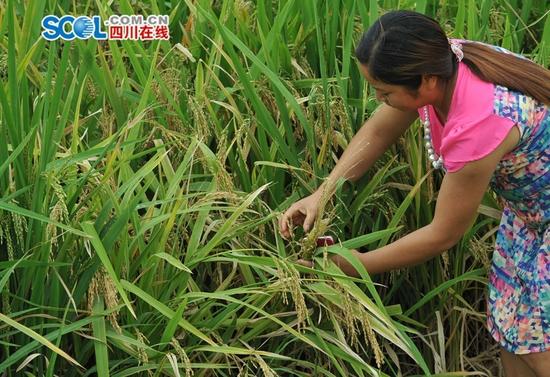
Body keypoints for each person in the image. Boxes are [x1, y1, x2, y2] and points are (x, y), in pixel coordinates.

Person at [278, 10, 550, 377]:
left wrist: (356, 265)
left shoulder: (480, 120)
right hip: (529, 215)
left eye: (384, 91)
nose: (379, 98)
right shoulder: (446, 61)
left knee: (537, 347)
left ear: (425, 82)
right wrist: (323, 192)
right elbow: (379, 132)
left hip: (541, 218)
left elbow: (443, 235)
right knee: (510, 325)